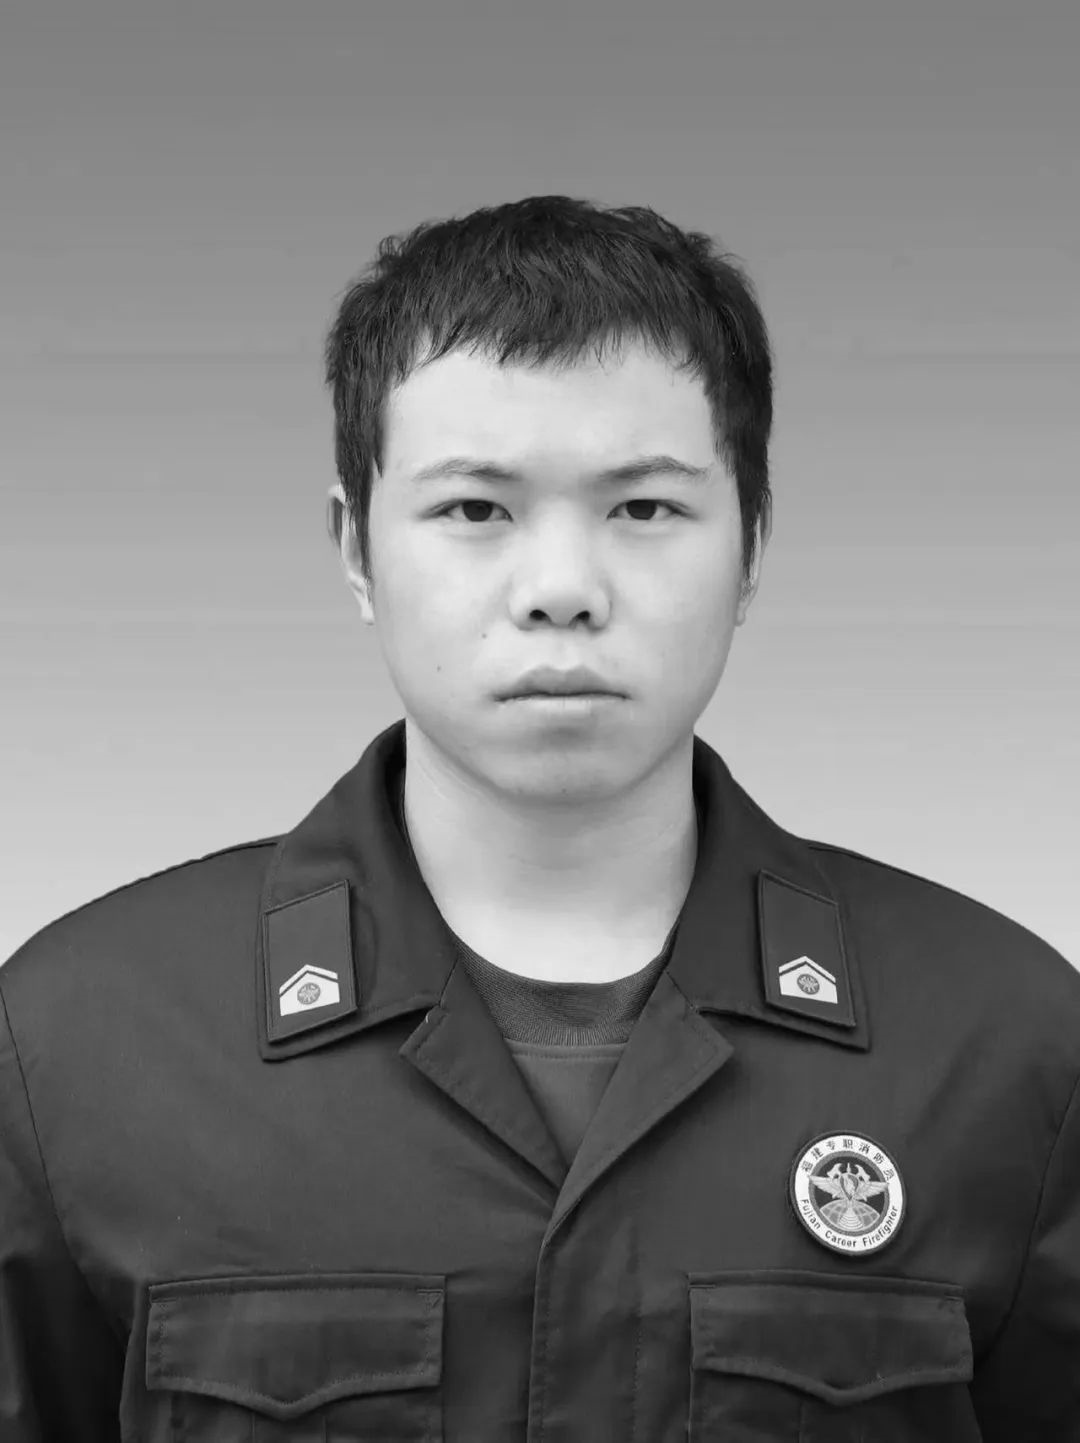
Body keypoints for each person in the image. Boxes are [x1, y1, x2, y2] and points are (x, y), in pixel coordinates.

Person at [1, 194, 1077, 1442]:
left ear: (753, 546)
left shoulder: (1006, 1047)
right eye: (475, 509)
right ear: (355, 549)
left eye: (644, 509)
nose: (562, 589)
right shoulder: (80, 1044)